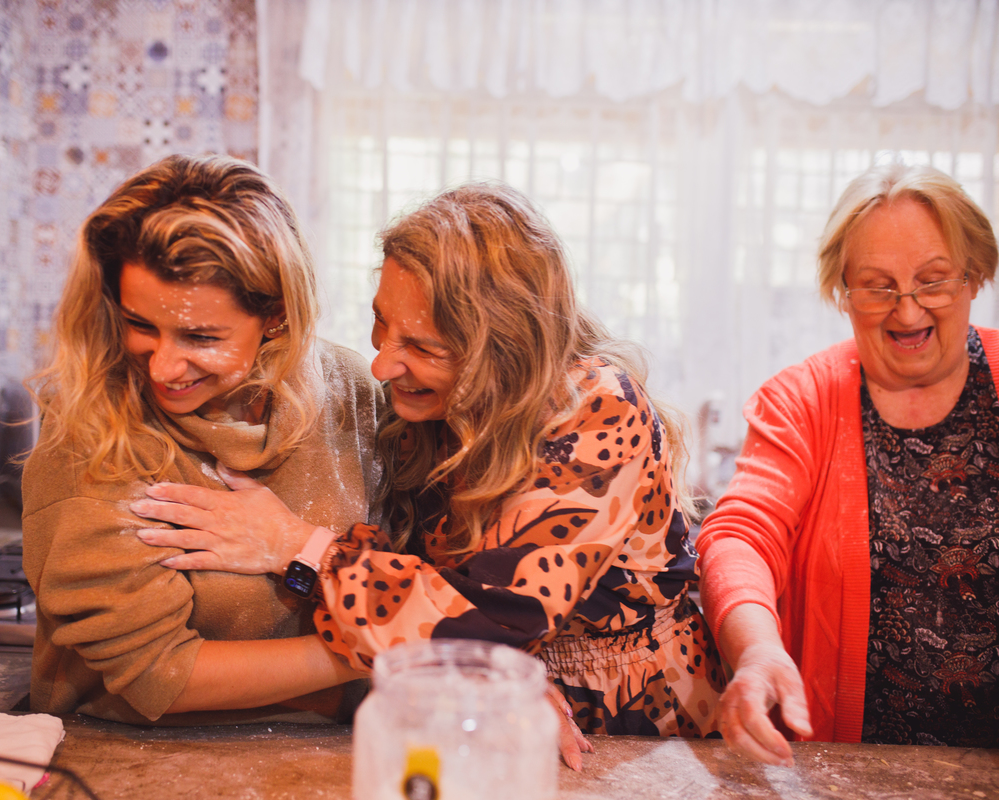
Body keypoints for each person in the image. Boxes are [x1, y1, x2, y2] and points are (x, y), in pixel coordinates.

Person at [130, 182, 728, 749]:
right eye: (380, 322)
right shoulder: (440, 407)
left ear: (506, 350)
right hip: (483, 694)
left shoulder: (596, 410)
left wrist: (295, 545)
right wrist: (490, 670)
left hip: (628, 718)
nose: (383, 365)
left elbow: (493, 621)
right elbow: (438, 593)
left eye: (422, 347)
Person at [21, 155, 384, 725]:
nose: (163, 367)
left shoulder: (351, 390)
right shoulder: (91, 424)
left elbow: (404, 562)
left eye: (200, 336)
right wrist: (388, 648)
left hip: (340, 737)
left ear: (277, 317)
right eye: (140, 324)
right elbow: (157, 672)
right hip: (132, 757)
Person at [696, 162, 999, 765]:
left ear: (974, 277)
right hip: (849, 768)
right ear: (843, 291)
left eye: (933, 281)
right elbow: (740, 535)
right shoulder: (801, 400)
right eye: (878, 286)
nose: (907, 312)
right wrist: (756, 649)